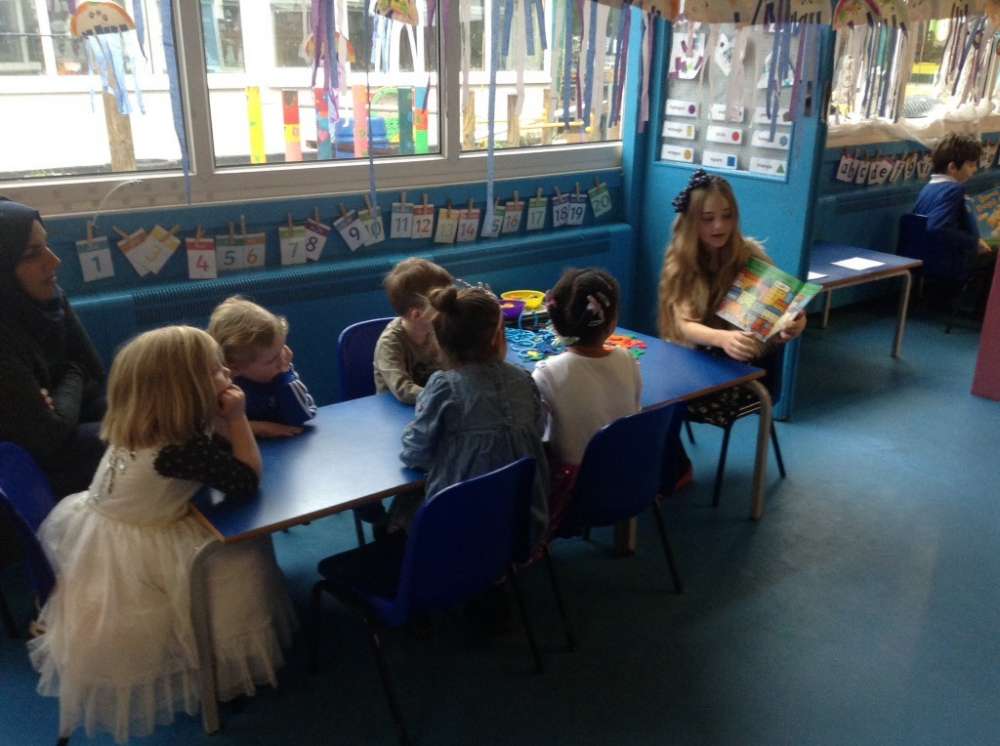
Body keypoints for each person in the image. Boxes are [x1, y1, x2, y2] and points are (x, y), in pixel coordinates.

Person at [27, 326, 296, 744]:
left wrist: (235, 424)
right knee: (243, 562)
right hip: (143, 541)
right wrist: (240, 419)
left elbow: (210, 444)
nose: (226, 372)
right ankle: (215, 672)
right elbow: (246, 480)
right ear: (185, 389)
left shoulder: (147, 420)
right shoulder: (177, 448)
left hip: (107, 525)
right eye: (214, 370)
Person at [400, 285, 549, 545]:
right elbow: (537, 431)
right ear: (496, 338)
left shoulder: (443, 386)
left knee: (400, 512)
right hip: (523, 520)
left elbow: (415, 454)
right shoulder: (525, 380)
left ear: (441, 341)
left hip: (457, 526)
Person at [658, 170, 805, 431]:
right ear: (692, 222)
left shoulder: (748, 256)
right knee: (650, 397)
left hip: (743, 375)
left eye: (727, 216)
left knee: (665, 404)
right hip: (695, 363)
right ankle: (673, 466)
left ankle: (674, 467)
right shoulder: (684, 261)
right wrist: (722, 338)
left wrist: (793, 324)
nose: (719, 226)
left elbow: (782, 315)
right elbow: (683, 325)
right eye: (707, 219)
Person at [0, 198, 106, 497]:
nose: (54, 261)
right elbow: (47, 437)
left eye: (46, 246)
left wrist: (56, 391)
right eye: (33, 254)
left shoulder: (49, 298)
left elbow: (95, 373)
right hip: (26, 465)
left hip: (63, 426)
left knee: (145, 415)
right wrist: (73, 371)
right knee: (136, 439)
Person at [532, 268, 641, 530]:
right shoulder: (628, 360)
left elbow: (535, 435)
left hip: (574, 493)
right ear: (612, 322)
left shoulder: (547, 373)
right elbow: (634, 412)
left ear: (555, 324)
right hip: (630, 478)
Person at [208, 296, 316, 438]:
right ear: (234, 367)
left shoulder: (282, 371)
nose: (284, 359)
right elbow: (213, 428)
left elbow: (303, 415)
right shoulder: (220, 385)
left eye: (282, 349)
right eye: (272, 360)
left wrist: (284, 378)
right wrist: (260, 428)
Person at [913, 133, 997, 310]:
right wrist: (974, 242)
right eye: (971, 165)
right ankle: (984, 311)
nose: (974, 170)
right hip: (947, 260)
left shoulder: (929, 188)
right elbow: (937, 227)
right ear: (952, 167)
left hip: (925, 254)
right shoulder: (954, 189)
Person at [374, 257, 453, 405]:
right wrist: (445, 397)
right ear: (416, 314)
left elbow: (453, 369)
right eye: (440, 307)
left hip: (432, 406)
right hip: (396, 412)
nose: (448, 312)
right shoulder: (389, 343)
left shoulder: (436, 330)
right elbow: (403, 389)